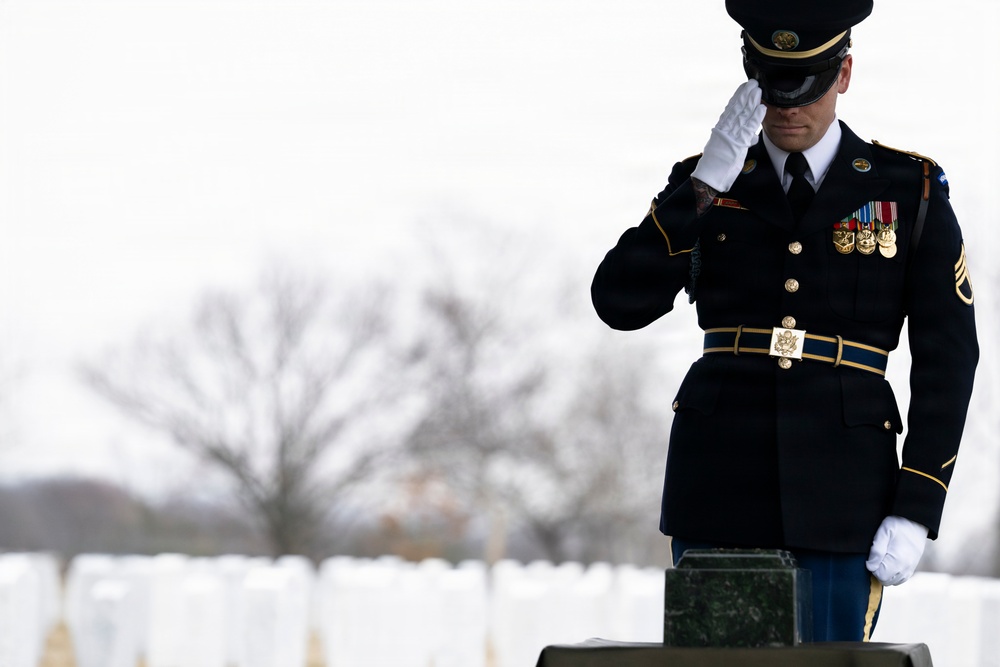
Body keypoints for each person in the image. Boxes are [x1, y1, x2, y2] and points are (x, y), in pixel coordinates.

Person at [591, 0, 979, 642]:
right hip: (718, 485)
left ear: (845, 73)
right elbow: (618, 302)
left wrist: (918, 504)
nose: (789, 107)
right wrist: (700, 190)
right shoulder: (707, 181)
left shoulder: (907, 188)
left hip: (844, 494)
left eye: (808, 86)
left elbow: (948, 358)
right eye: (773, 87)